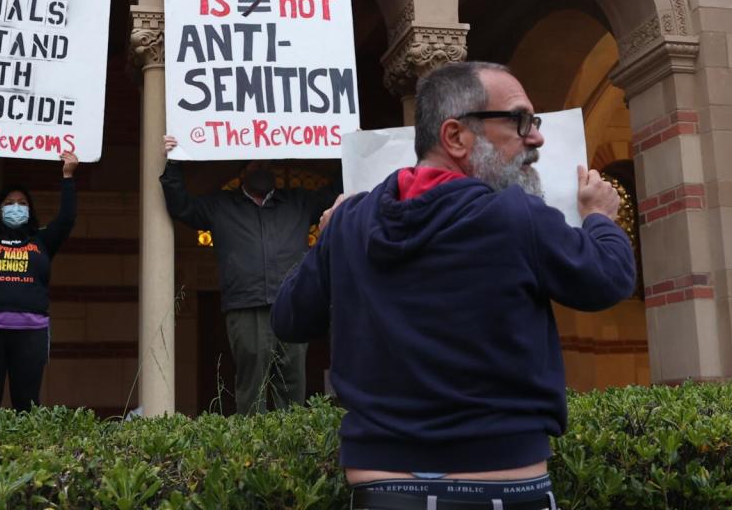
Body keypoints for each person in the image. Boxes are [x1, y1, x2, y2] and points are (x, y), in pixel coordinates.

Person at [272, 62, 636, 510]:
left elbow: (288, 318)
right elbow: (608, 278)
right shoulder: (516, 216)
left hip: (382, 489)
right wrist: (600, 218)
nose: (536, 137)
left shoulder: (351, 222)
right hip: (505, 486)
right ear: (456, 137)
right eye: (520, 120)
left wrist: (329, 235)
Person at [160, 136, 338, 414]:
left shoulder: (298, 202)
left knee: (292, 380)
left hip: (291, 304)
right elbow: (182, 206)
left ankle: (290, 448)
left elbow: (337, 192)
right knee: (251, 383)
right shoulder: (220, 205)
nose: (262, 168)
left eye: (268, 164)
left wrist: (348, 144)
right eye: (256, 163)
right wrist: (173, 161)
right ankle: (251, 453)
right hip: (245, 306)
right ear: (243, 169)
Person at [0, 144, 78, 412]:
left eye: (22, 203)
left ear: (30, 210)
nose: (16, 207)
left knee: (27, 406)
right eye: (9, 204)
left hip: (31, 333)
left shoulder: (42, 241)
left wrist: (68, 176)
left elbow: (66, 219)